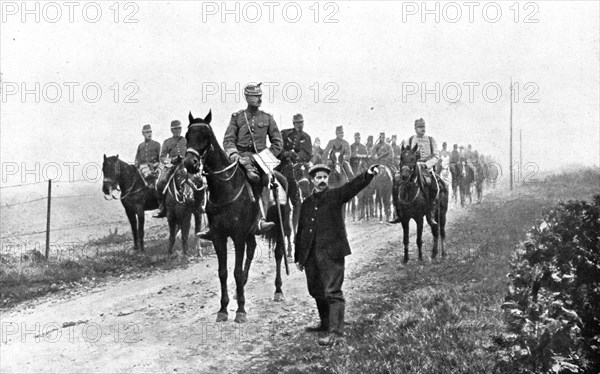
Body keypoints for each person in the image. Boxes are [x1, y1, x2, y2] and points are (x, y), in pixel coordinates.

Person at [295, 163, 380, 346]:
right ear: (312, 180)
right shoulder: (306, 204)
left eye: (325, 177)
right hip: (311, 255)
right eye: (318, 177)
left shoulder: (335, 196)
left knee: (332, 292)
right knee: (317, 291)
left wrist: (368, 174)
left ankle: (336, 332)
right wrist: (298, 257)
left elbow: (352, 187)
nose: (322, 180)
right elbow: (300, 231)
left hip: (332, 253)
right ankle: (325, 324)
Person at [199, 82, 283, 239]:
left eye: (260, 95)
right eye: (255, 96)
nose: (259, 99)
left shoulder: (267, 118)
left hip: (261, 160)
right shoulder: (237, 118)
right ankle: (212, 223)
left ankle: (260, 219)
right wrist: (236, 156)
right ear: (247, 97)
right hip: (239, 160)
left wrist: (263, 158)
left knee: (262, 179)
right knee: (217, 181)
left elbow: (278, 143)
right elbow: (228, 140)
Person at [391, 118, 440, 225]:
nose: (422, 129)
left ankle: (430, 213)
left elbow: (436, 156)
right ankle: (397, 211)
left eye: (424, 127)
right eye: (420, 127)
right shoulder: (409, 140)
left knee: (434, 186)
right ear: (415, 128)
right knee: (396, 180)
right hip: (410, 170)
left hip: (425, 169)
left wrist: (426, 165)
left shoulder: (431, 140)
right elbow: (403, 155)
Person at [153, 120, 187, 218]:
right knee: (160, 183)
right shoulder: (167, 142)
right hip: (172, 166)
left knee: (198, 180)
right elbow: (162, 157)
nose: (177, 131)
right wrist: (171, 160)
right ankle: (162, 206)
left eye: (179, 128)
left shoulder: (186, 140)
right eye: (175, 129)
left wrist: (185, 159)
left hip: (185, 165)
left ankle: (200, 204)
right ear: (171, 130)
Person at [278, 113, 312, 205]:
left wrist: (297, 156)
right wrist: (285, 153)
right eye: (297, 123)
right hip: (285, 164)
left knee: (309, 181)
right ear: (293, 123)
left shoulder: (306, 137)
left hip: (300, 165)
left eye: (301, 122)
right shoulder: (285, 134)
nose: (299, 125)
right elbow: (278, 147)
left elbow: (308, 154)